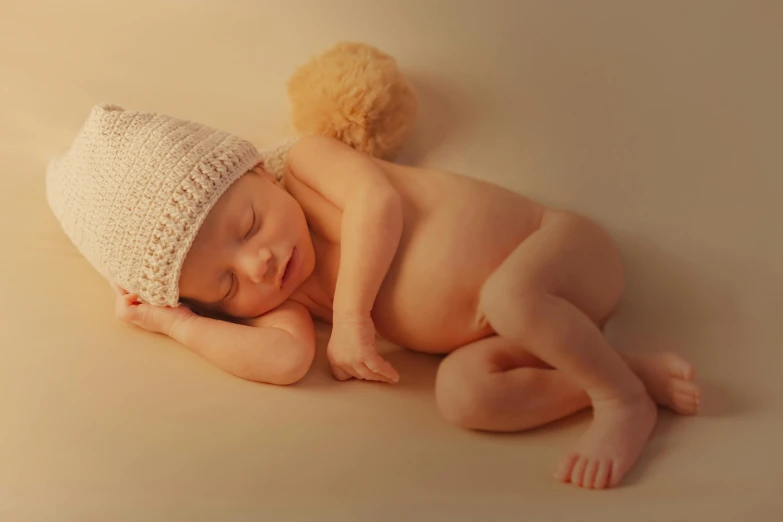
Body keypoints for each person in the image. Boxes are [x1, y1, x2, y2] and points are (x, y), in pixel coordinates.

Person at [47, 105, 701, 490]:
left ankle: (623, 403)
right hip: (512, 337)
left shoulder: (305, 166)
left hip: (559, 254)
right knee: (462, 396)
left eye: (247, 226)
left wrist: (353, 316)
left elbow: (377, 201)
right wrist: (176, 323)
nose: (260, 264)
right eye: (225, 284)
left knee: (508, 296)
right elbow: (281, 362)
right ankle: (619, 375)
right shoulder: (283, 300)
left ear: (251, 170)